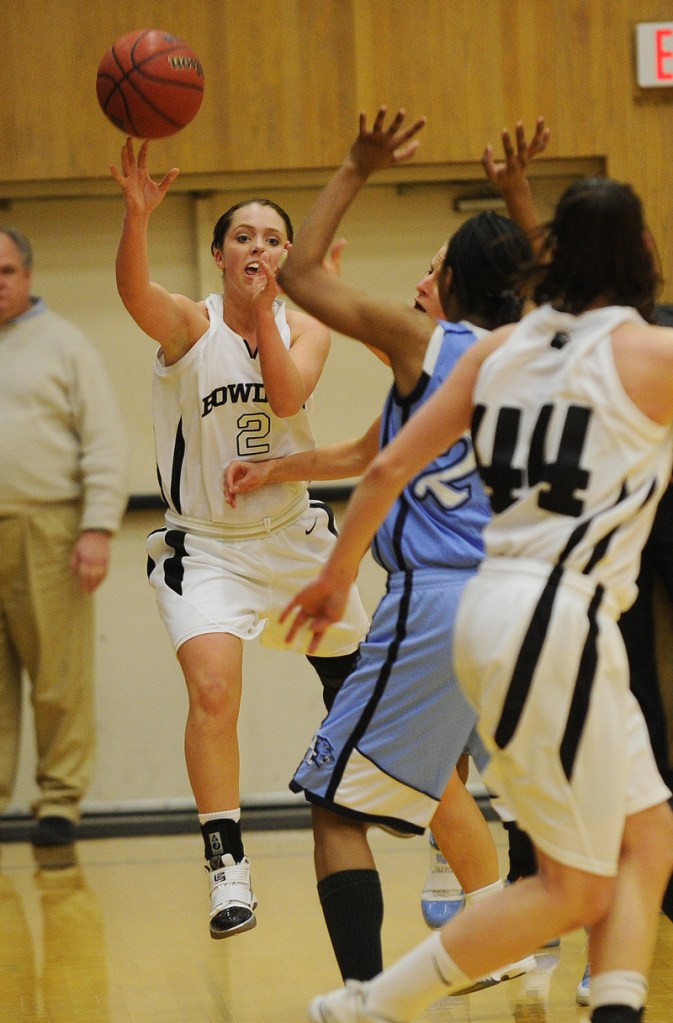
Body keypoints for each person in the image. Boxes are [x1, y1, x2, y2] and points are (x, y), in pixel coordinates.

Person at [277, 108, 673, 1023]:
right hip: (555, 617)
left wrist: (337, 571)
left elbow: (381, 464)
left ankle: (611, 1004)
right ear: (648, 250)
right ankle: (367, 1002)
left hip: (502, 609)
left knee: (647, 834)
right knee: (572, 885)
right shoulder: (651, 353)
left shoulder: (500, 349)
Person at [224, 117, 546, 986]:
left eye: (433, 267)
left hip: (437, 598)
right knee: (500, 785)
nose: (419, 279)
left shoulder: (427, 345)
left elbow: (294, 273)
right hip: (524, 601)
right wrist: (519, 194)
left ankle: (367, 997)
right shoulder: (536, 352)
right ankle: (522, 941)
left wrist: (355, 165)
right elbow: (374, 451)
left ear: (452, 285)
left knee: (333, 806)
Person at [109, 138, 369, 940]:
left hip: (292, 536)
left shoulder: (308, 326)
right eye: (244, 237)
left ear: (292, 255)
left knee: (369, 695)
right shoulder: (190, 324)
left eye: (273, 238)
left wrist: (271, 315)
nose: (258, 247)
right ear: (220, 253)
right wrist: (137, 216)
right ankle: (228, 868)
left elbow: (287, 398)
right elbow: (133, 293)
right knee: (215, 690)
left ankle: (434, 830)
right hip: (208, 546)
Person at [0, 227, 128, 847]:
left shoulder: (65, 345)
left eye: (4, 271)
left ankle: (59, 801)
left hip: (47, 527)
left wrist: (98, 528)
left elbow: (104, 442)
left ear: (27, 275)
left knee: (57, 675)